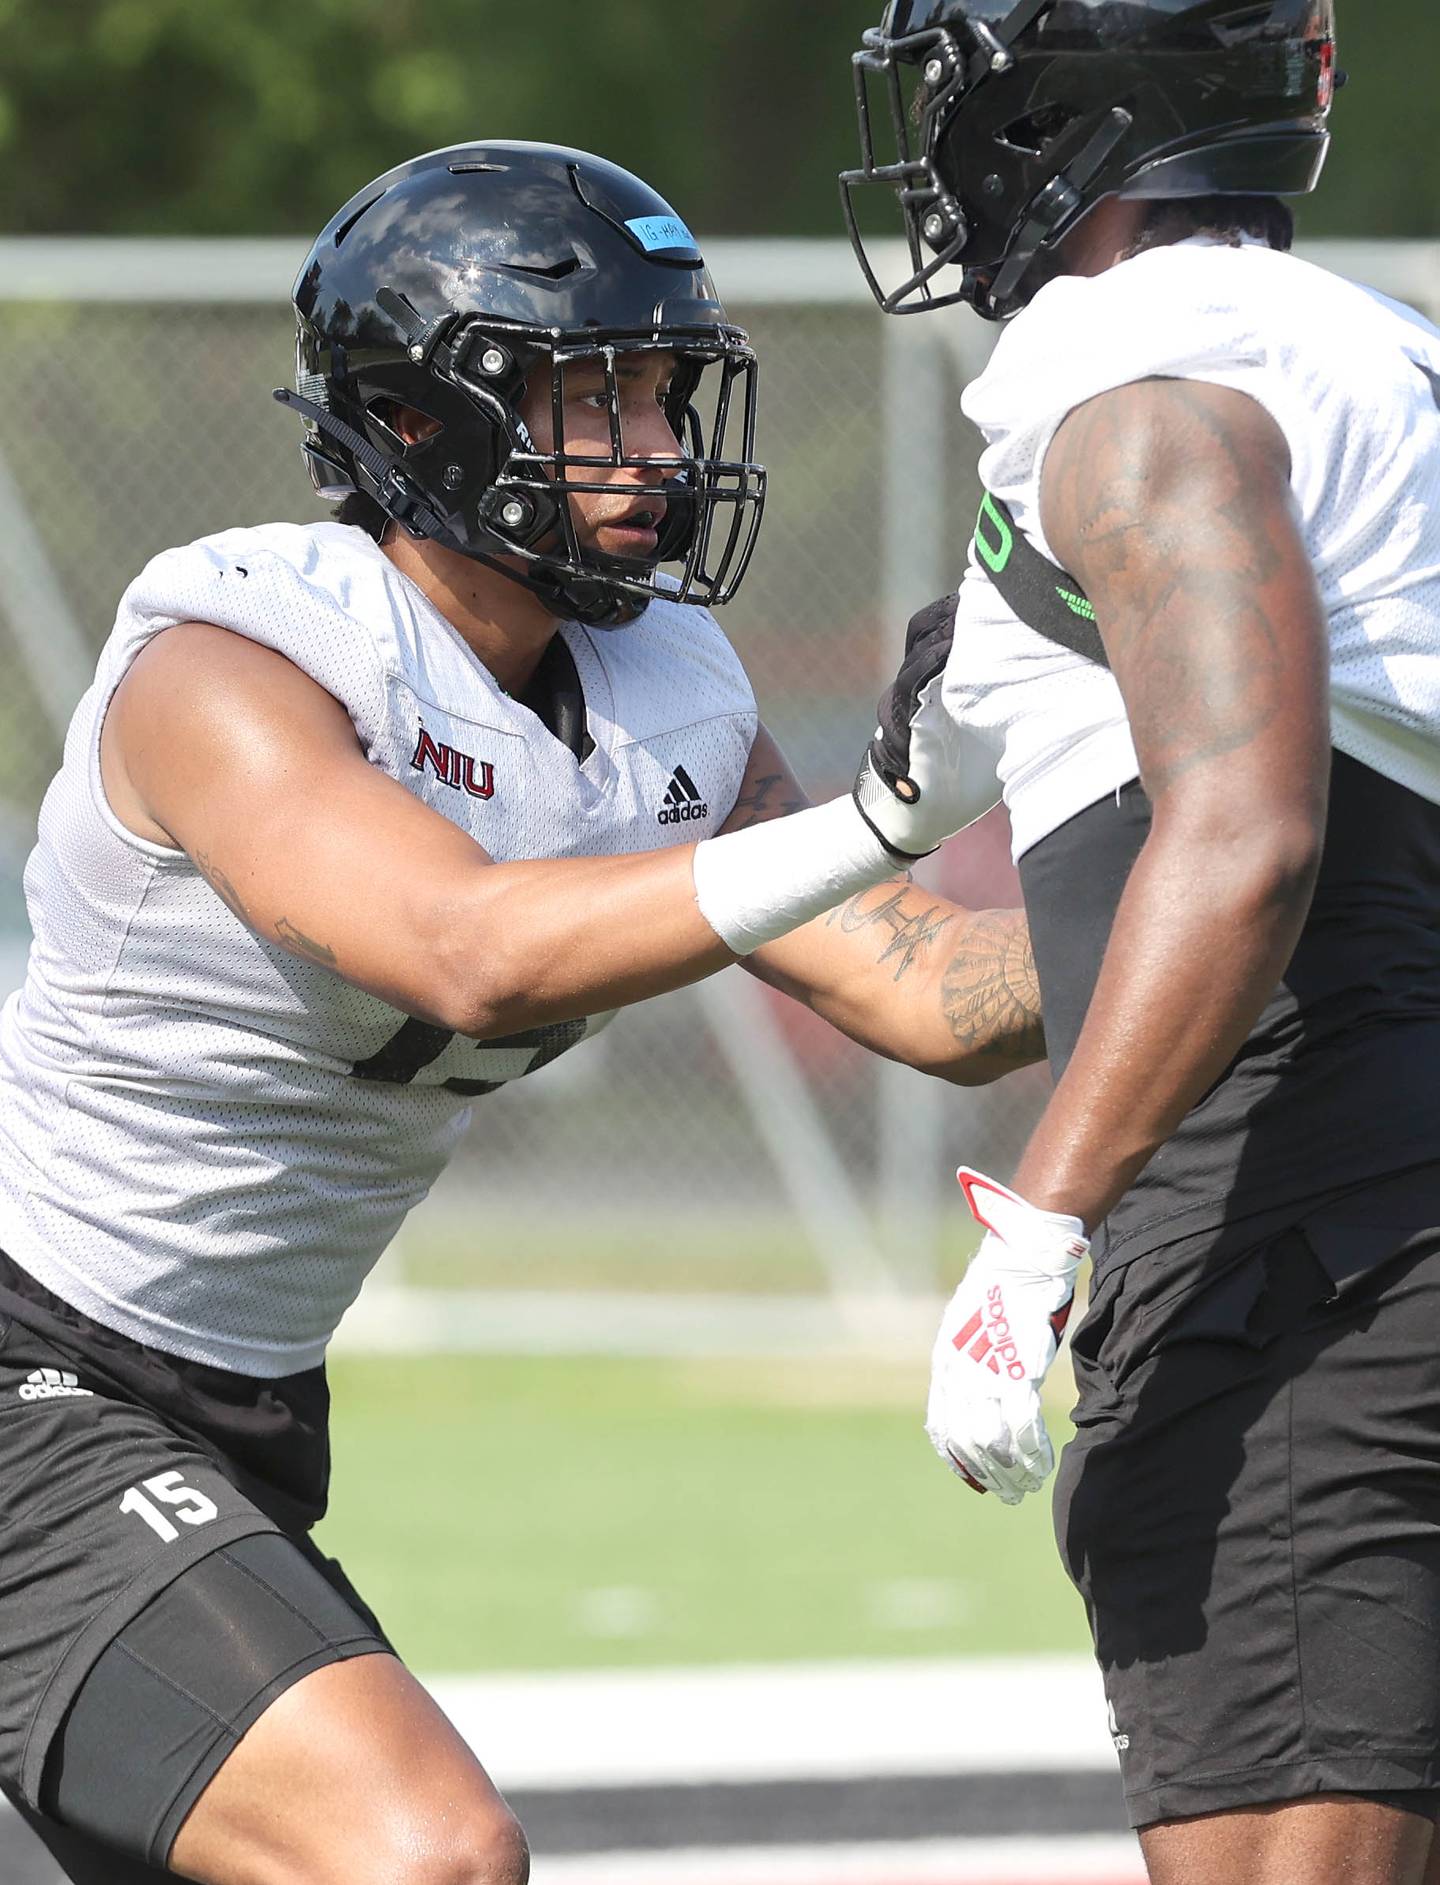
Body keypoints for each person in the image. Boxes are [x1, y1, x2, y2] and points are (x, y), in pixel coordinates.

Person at [0, 140, 1045, 1885]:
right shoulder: (233, 661)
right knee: (421, 1849)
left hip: (239, 1401)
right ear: (417, 419)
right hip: (36, 1361)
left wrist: (1195, 871)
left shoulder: (661, 688)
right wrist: (870, 813)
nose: (656, 454)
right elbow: (461, 948)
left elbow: (930, 992)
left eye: (666, 395)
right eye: (597, 397)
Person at [842, 4, 1440, 1882]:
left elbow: (1250, 840)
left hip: (1303, 1237)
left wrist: (1039, 1234)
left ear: (1064, 106)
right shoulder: (1370, 362)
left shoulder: (1145, 393)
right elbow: (1008, 981)